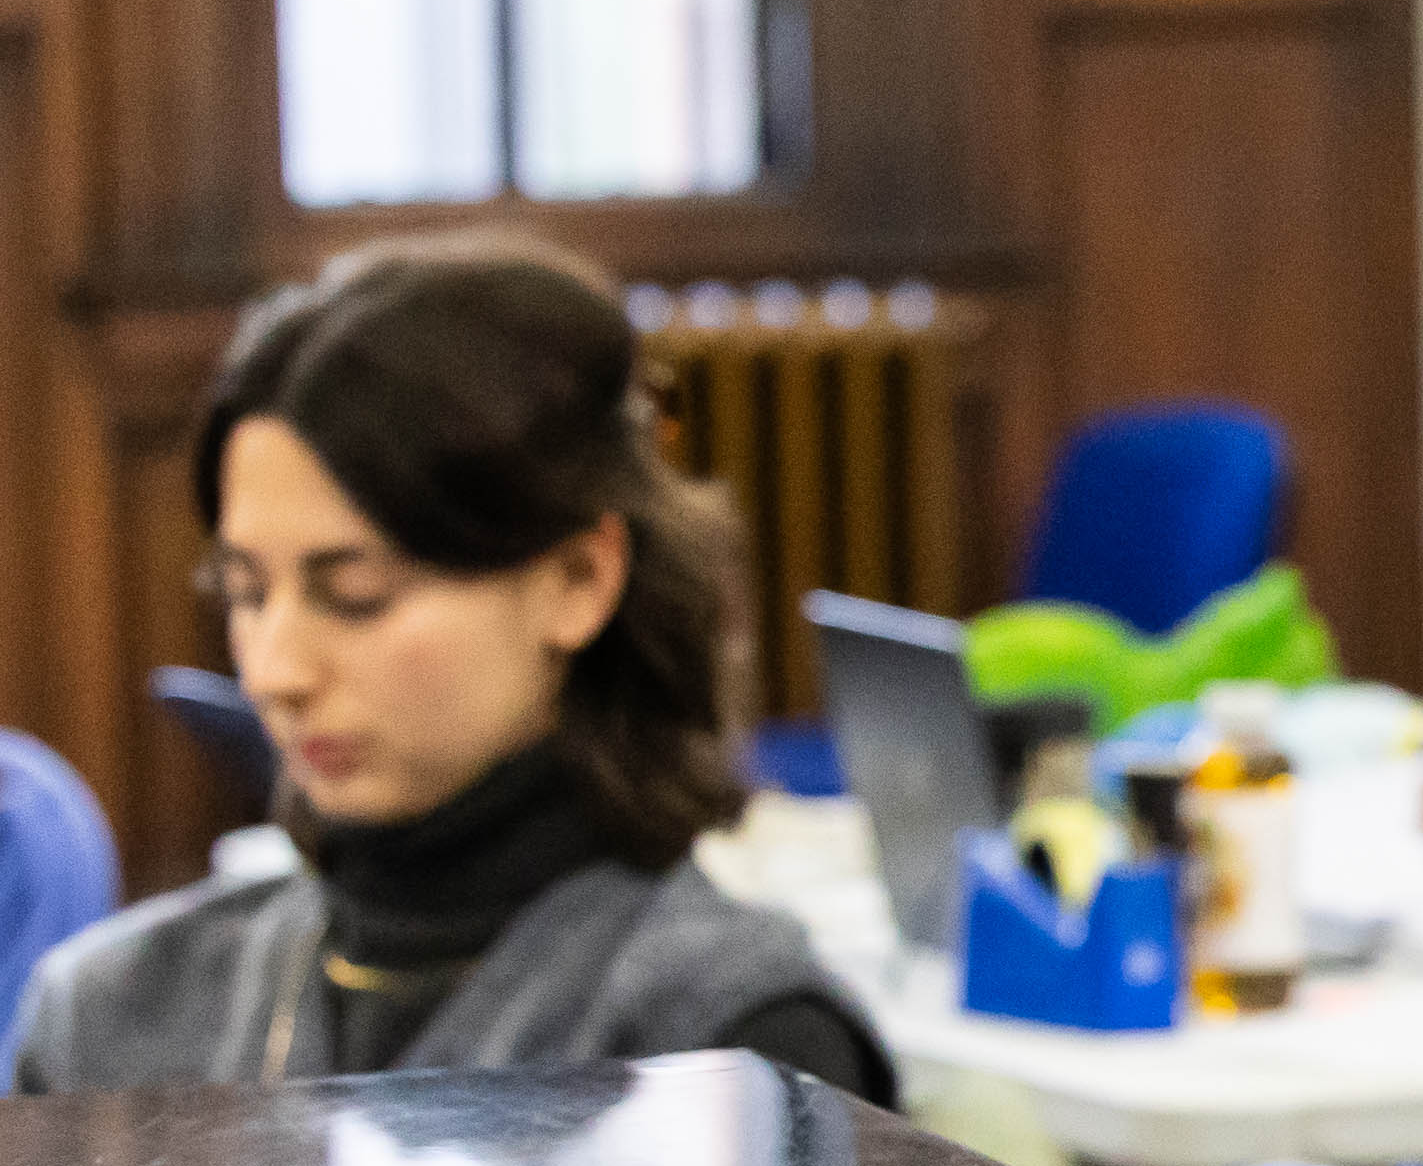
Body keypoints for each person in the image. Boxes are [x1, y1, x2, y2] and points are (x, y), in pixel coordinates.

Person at [14, 237, 890, 1103]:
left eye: (356, 594)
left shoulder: (734, 1040)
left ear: (578, 580)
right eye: (245, 592)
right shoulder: (105, 1016)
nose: (274, 674)